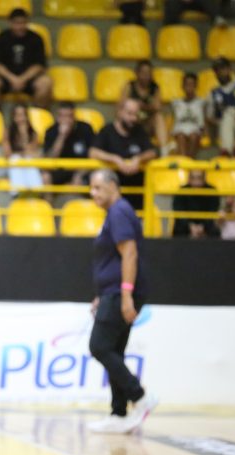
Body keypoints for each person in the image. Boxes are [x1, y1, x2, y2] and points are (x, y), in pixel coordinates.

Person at [86, 168, 157, 434]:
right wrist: (101, 294)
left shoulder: (119, 212)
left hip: (120, 292)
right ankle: (118, 413)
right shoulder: (115, 213)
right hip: (112, 291)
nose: (93, 193)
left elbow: (129, 253)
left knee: (99, 346)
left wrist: (126, 294)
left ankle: (140, 396)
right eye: (91, 188)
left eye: (97, 188)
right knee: (114, 350)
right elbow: (113, 260)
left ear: (113, 185)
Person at [89, 99, 157, 211]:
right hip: (112, 195)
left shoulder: (139, 131)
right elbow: (93, 152)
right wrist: (115, 159)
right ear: (120, 112)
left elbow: (152, 152)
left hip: (136, 194)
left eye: (136, 114)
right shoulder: (107, 131)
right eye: (129, 114)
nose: (133, 118)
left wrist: (138, 159)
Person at [0, 8, 52, 109]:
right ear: (10, 23)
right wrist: (12, 79)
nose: (20, 26)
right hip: (6, 78)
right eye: (17, 23)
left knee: (46, 82)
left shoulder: (36, 38)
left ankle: (39, 114)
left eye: (23, 23)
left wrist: (22, 79)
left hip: (29, 79)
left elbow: (39, 65)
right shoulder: (0, 38)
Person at [119, 60, 168, 155]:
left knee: (158, 117)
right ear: (137, 73)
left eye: (149, 73)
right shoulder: (129, 86)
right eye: (143, 73)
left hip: (147, 123)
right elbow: (121, 106)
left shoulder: (155, 87)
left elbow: (158, 107)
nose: (146, 76)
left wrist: (142, 106)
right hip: (132, 121)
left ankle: (164, 151)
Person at [43, 102, 95, 187]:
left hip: (81, 169)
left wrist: (80, 173)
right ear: (58, 117)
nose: (66, 120)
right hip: (59, 169)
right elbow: (49, 159)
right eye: (62, 116)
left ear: (74, 117)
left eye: (69, 116)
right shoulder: (51, 131)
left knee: (85, 179)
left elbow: (92, 156)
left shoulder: (85, 129)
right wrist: (61, 136)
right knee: (45, 176)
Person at [2, 104, 43, 193]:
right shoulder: (8, 132)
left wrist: (24, 135)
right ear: (13, 117)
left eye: (23, 115)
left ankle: (35, 191)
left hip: (28, 161)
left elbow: (33, 153)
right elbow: (7, 155)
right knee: (15, 159)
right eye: (18, 115)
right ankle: (18, 192)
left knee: (29, 160)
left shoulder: (33, 133)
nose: (20, 119)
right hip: (10, 164)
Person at [172, 170, 221, 238]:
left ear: (204, 179)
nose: (196, 182)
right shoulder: (182, 190)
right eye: (193, 178)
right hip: (186, 226)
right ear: (189, 179)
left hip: (206, 226)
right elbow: (178, 211)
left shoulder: (211, 191)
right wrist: (190, 226)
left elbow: (213, 211)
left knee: (215, 231)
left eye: (199, 178)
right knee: (178, 229)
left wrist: (203, 227)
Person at [171, 72, 206, 158]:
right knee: (181, 136)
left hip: (195, 128)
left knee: (193, 136)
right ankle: (184, 161)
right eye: (187, 84)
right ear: (182, 86)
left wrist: (204, 131)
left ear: (196, 86)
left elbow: (204, 121)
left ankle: (190, 160)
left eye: (192, 84)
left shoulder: (202, 102)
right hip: (180, 128)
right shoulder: (176, 103)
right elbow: (173, 120)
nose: (189, 87)